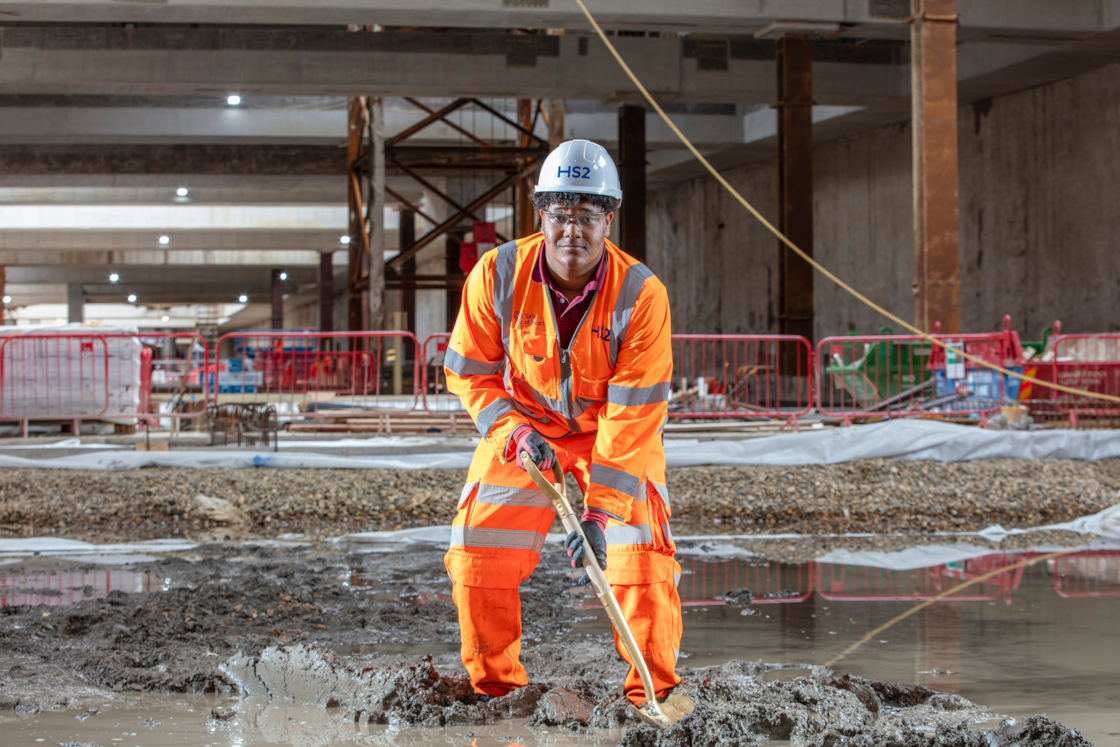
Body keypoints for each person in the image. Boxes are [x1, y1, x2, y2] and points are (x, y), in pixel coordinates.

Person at [443, 139, 681, 708]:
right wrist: (514, 432)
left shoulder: (641, 295)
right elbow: (470, 375)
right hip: (526, 431)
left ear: (609, 218)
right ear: (540, 213)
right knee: (479, 550)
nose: (572, 230)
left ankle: (651, 697)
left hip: (611, 436)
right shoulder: (497, 274)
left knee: (640, 561)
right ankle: (494, 690)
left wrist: (600, 514)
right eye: (560, 214)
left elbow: (633, 413)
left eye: (588, 216)